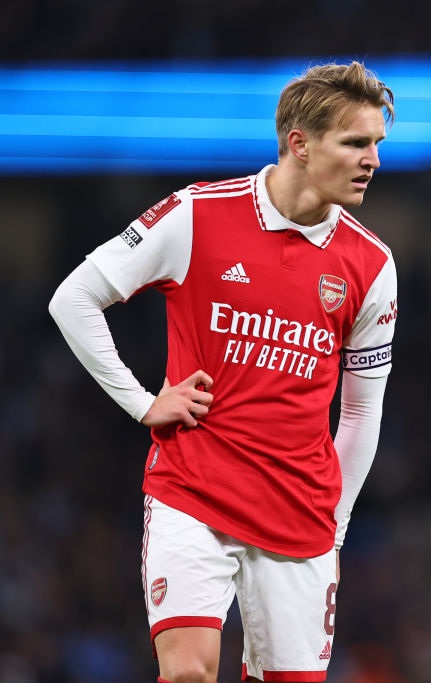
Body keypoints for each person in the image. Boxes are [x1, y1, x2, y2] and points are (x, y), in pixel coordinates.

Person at [48, 61, 397, 683]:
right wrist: (142, 402)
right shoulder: (197, 214)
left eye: (376, 144)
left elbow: (361, 412)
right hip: (194, 491)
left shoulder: (372, 264)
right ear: (300, 143)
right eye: (355, 143)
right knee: (188, 673)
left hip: (301, 512)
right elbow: (74, 298)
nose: (372, 160)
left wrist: (334, 529)